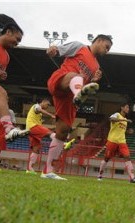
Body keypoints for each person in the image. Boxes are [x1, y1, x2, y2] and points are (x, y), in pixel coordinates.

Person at [42, 34, 113, 180]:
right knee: (75, 76)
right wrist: (53, 50)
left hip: (70, 96)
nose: (108, 51)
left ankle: (48, 171)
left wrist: (93, 80)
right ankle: (78, 93)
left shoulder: (97, 67)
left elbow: (87, 84)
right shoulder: (79, 46)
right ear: (98, 41)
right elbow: (58, 50)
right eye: (107, 46)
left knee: (63, 130)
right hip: (61, 80)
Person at [0, 22, 28, 141]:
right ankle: (9, 129)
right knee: (1, 93)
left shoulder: (6, 57)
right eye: (17, 39)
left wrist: (0, 75)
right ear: (8, 32)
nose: (17, 43)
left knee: (2, 96)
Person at [97, 103, 135, 183]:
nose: (128, 109)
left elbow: (121, 130)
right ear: (122, 108)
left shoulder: (125, 120)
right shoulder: (117, 115)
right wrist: (123, 120)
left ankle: (132, 178)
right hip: (112, 141)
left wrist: (128, 131)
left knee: (127, 157)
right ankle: (100, 175)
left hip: (122, 142)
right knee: (106, 158)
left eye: (129, 107)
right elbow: (111, 119)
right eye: (127, 107)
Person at [25, 98, 58, 174]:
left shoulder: (39, 114)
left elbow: (40, 126)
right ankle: (62, 143)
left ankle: (29, 169)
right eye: (47, 105)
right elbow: (38, 109)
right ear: (43, 102)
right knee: (50, 133)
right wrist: (51, 115)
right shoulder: (36, 106)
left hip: (31, 130)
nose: (47, 107)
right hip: (32, 127)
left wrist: (51, 128)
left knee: (36, 149)